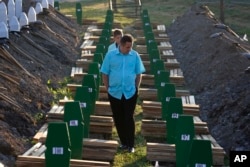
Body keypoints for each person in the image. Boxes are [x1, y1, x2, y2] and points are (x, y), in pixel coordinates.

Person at [100, 34, 145, 153]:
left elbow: (139, 73)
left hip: (130, 92)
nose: (129, 49)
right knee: (118, 118)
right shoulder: (110, 56)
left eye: (130, 47)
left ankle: (131, 144)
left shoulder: (135, 55)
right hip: (114, 92)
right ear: (120, 45)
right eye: (127, 47)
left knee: (128, 117)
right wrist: (108, 88)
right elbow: (105, 73)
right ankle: (124, 142)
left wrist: (136, 87)